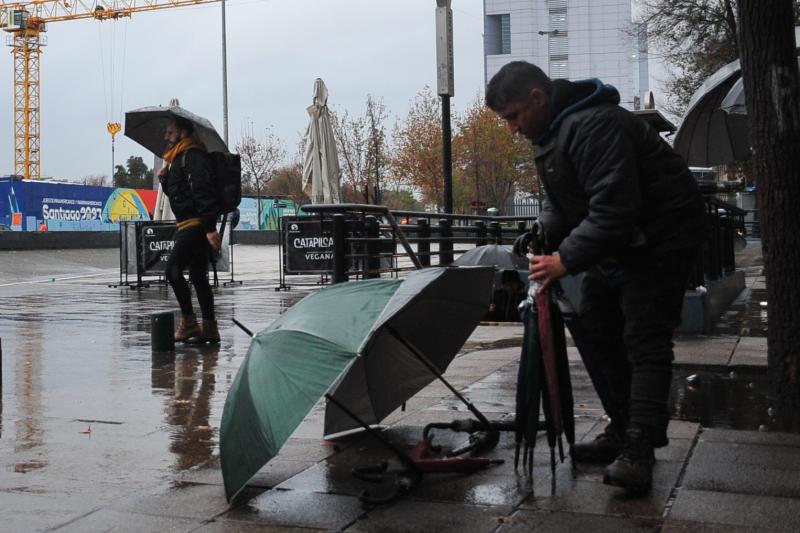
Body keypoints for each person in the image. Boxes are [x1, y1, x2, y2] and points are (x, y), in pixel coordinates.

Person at [486, 61, 705, 493]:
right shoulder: (553, 134)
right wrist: (542, 231)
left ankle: (638, 449)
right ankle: (623, 429)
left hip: (661, 237)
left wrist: (564, 260)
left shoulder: (595, 125)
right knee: (596, 323)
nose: (511, 128)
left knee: (645, 337)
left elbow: (614, 208)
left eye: (513, 116)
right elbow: (562, 203)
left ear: (537, 98)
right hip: (624, 240)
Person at [158, 117, 221, 344]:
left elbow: (204, 191)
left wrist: (210, 228)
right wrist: (165, 182)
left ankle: (189, 322)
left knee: (172, 270)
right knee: (197, 276)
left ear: (183, 132)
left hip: (194, 225)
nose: (166, 136)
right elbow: (181, 194)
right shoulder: (179, 158)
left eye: (170, 132)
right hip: (190, 223)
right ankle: (210, 328)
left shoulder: (193, 155)